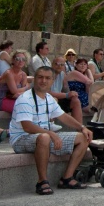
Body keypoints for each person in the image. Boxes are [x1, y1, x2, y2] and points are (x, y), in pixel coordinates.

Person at [9, 66, 92, 195]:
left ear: (52, 81)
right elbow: (27, 127)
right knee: (44, 137)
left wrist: (82, 127)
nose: (43, 81)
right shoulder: (25, 99)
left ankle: (67, 178)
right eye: (40, 77)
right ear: (34, 79)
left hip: (43, 137)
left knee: (83, 137)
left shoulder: (48, 98)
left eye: (47, 78)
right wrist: (51, 133)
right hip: (21, 139)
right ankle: (42, 181)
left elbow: (63, 116)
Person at [49, 57, 82, 124]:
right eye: (57, 64)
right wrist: (66, 95)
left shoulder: (62, 74)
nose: (59, 66)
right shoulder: (48, 74)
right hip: (48, 99)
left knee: (76, 100)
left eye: (62, 64)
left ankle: (80, 128)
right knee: (54, 100)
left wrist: (72, 95)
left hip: (59, 98)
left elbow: (66, 89)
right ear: (52, 65)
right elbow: (47, 93)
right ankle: (50, 126)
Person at [0, 49, 31, 113]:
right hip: (2, 100)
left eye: (23, 59)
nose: (21, 61)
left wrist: (20, 92)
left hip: (15, 99)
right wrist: (26, 87)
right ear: (13, 60)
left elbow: (22, 93)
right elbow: (14, 91)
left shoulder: (23, 74)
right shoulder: (8, 73)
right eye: (18, 59)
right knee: (23, 108)